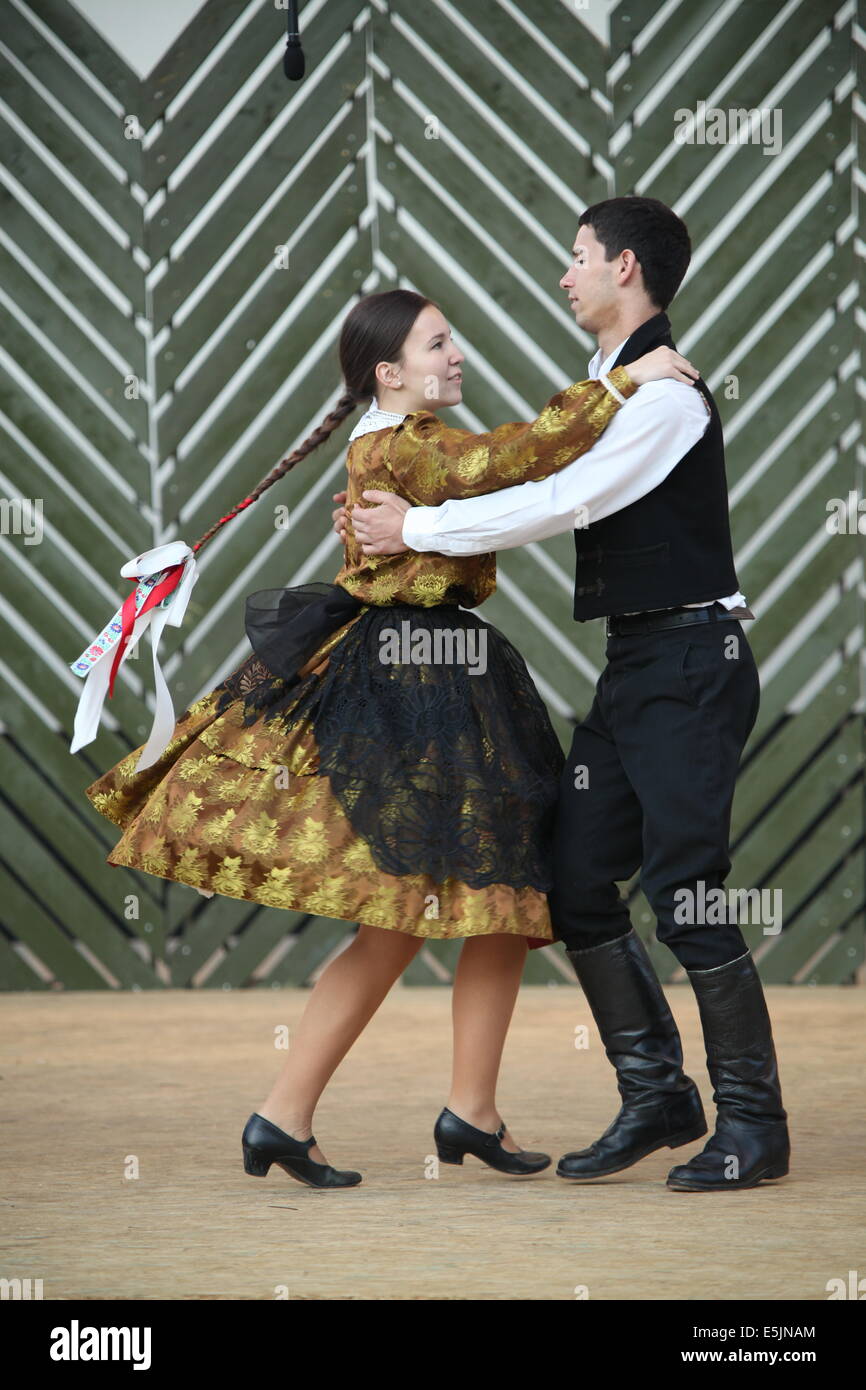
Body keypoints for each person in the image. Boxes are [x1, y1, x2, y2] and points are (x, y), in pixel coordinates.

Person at [82, 287, 695, 1190]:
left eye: (452, 340)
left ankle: (458, 1111)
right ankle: (292, 1116)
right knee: (414, 909)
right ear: (389, 371)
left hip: (441, 669)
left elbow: (502, 476)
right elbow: (516, 456)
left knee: (505, 890)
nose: (456, 356)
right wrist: (625, 382)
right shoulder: (409, 446)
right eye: (438, 344)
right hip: (415, 683)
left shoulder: (393, 445)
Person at [341, 198, 790, 1194]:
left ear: (621, 268)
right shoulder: (607, 387)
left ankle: (753, 1124)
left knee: (686, 894)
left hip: (691, 665)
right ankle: (657, 1095)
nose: (562, 274)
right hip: (635, 667)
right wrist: (416, 520)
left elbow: (562, 502)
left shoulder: (666, 397)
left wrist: (412, 532)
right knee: (577, 879)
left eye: (575, 258)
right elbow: (530, 466)